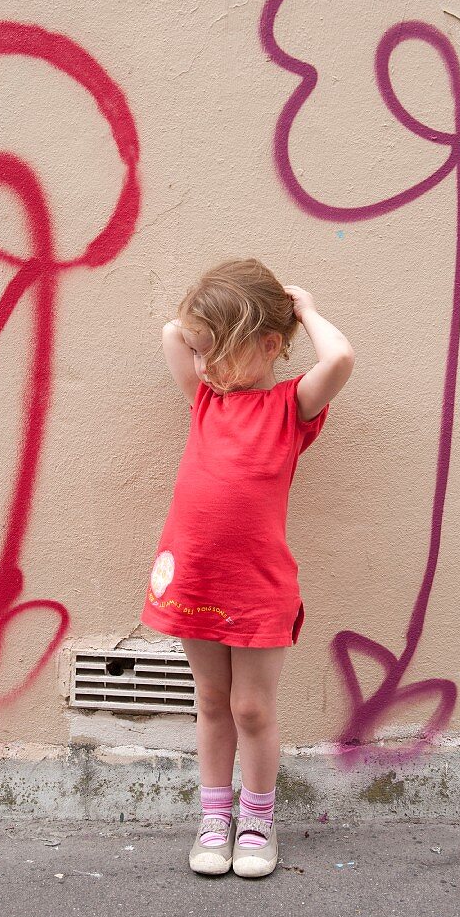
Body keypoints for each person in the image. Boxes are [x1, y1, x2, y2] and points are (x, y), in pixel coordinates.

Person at [139, 258, 354, 878]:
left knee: (252, 709)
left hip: (258, 586)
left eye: (217, 352)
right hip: (195, 578)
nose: (201, 365)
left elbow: (338, 361)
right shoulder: (204, 399)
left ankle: (257, 819)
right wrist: (213, 320)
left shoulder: (291, 407)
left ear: (267, 346)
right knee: (210, 700)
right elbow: (171, 334)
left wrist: (303, 311)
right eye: (201, 353)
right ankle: (215, 817)